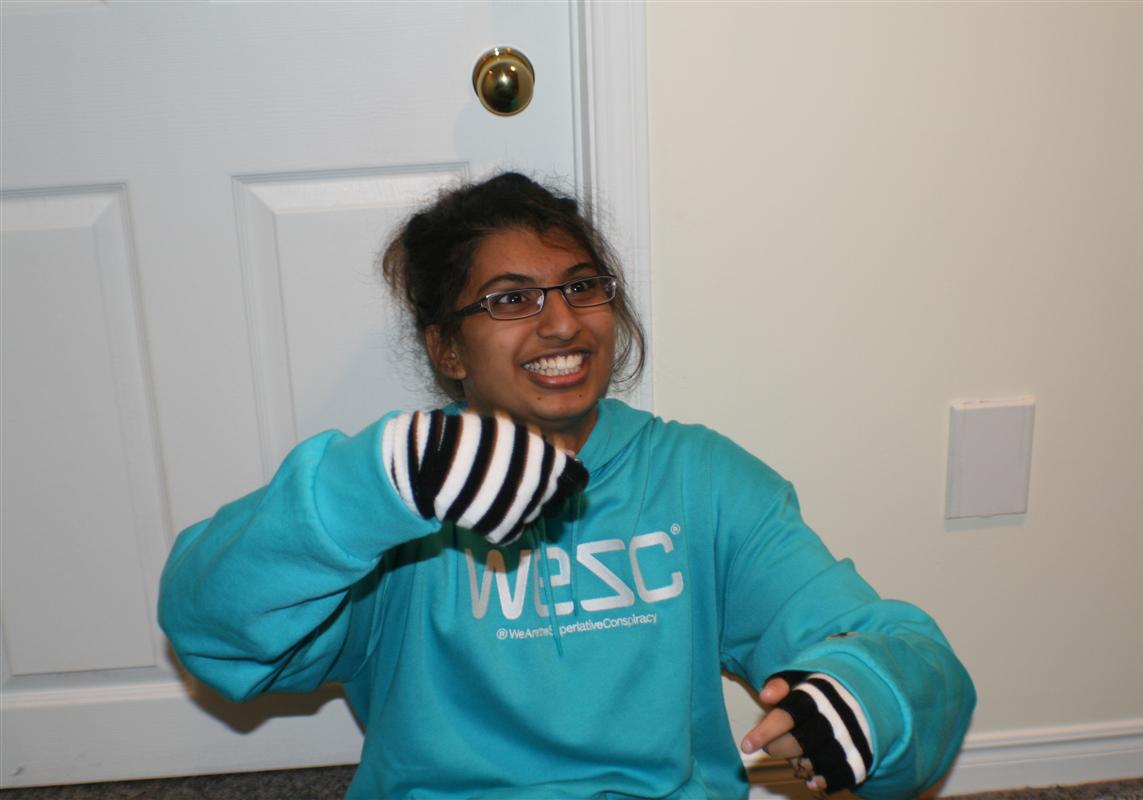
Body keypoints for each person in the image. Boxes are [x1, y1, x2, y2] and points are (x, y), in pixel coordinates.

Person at [159, 172, 975, 800]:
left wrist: (872, 698)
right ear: (447, 349)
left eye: (583, 286)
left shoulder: (700, 480)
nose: (561, 322)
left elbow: (904, 651)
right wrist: (365, 490)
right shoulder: (395, 499)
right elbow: (211, 631)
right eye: (511, 298)